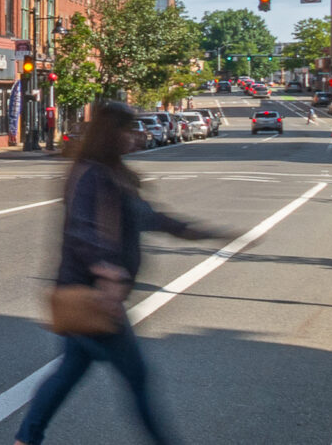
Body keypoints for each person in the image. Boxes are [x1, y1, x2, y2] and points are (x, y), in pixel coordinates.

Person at [14, 100, 221, 445]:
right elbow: (81, 229)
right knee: (136, 377)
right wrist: (107, 271)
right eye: (129, 129)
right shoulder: (91, 174)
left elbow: (150, 217)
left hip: (96, 292)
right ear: (112, 134)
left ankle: (27, 438)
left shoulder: (114, 175)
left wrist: (199, 232)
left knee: (70, 371)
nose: (136, 136)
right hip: (93, 293)